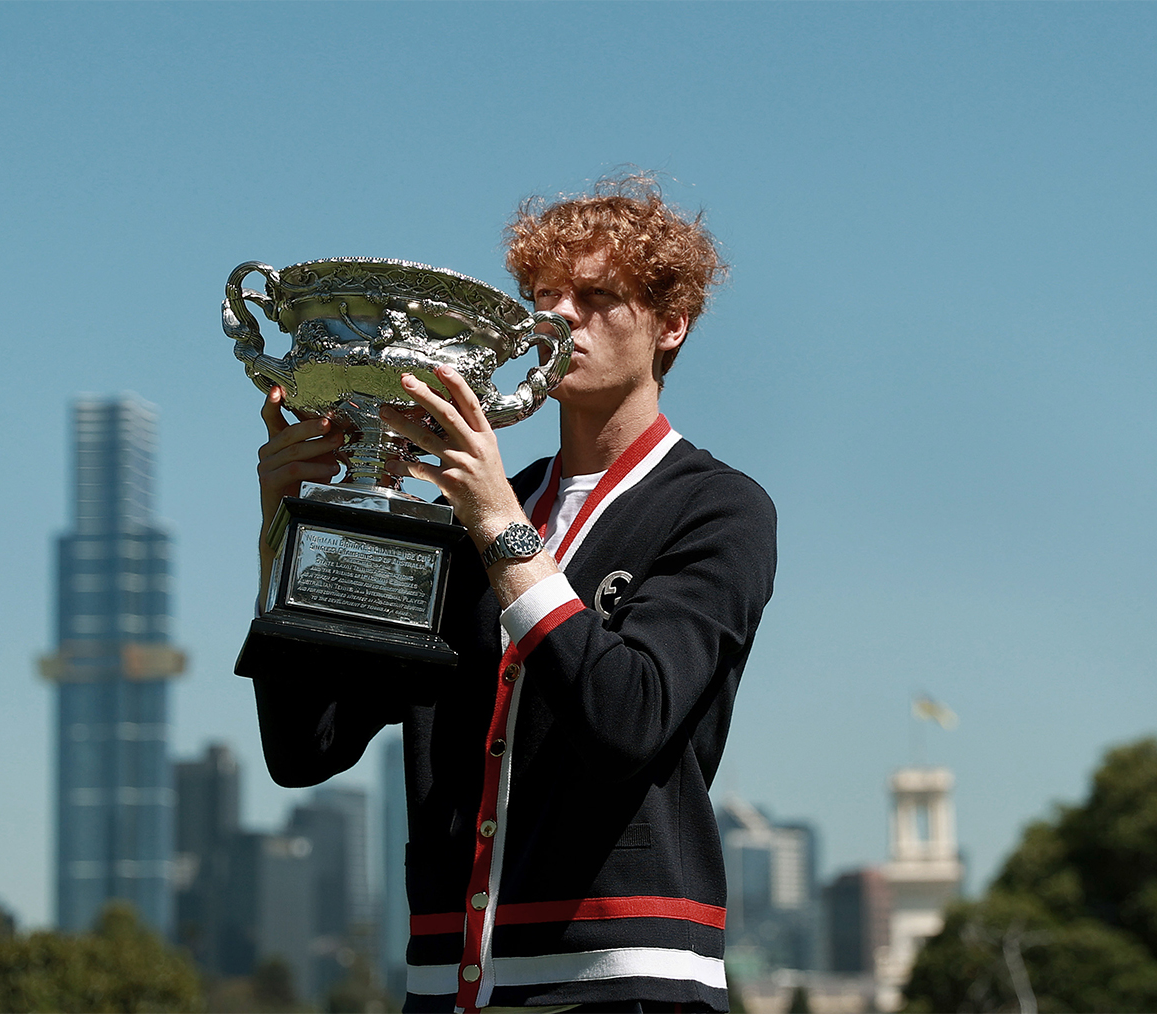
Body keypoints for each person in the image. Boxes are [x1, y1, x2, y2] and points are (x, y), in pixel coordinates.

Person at [251, 175, 777, 1013]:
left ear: (671, 324)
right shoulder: (470, 516)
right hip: (449, 988)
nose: (562, 317)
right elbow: (306, 747)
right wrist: (288, 532)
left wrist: (499, 524)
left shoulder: (717, 508)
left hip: (627, 987)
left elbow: (628, 718)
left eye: (600, 297)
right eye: (543, 298)